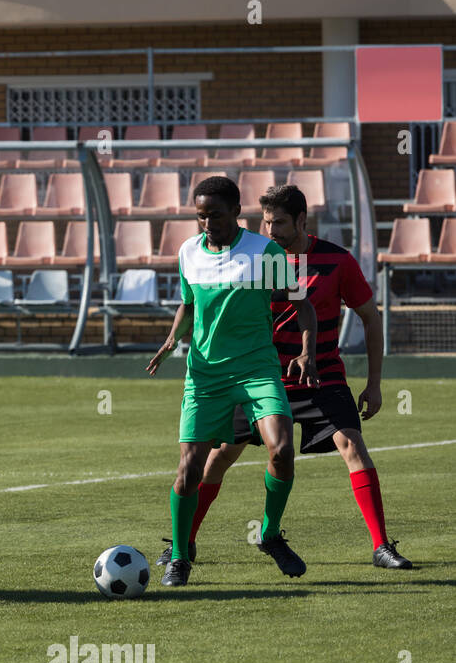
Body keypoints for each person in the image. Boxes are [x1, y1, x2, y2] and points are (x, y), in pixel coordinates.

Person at [153, 184, 413, 570]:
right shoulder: (253, 255)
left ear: (302, 221)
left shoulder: (335, 261)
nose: (270, 230)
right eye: (266, 222)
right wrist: (176, 335)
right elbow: (194, 303)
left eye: (279, 223)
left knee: (353, 448)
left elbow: (370, 317)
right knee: (216, 458)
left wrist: (373, 383)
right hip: (260, 373)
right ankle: (182, 544)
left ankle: (380, 546)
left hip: (318, 375)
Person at [146, 176, 319, 587]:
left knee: (282, 448)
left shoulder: (264, 251)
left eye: (216, 215)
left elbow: (303, 305)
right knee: (190, 470)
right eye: (201, 216)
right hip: (205, 374)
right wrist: (173, 338)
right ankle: (181, 555)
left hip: (258, 369)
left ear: (236, 213)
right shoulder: (189, 251)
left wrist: (307, 352)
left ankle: (271, 533)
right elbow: (188, 304)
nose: (207, 224)